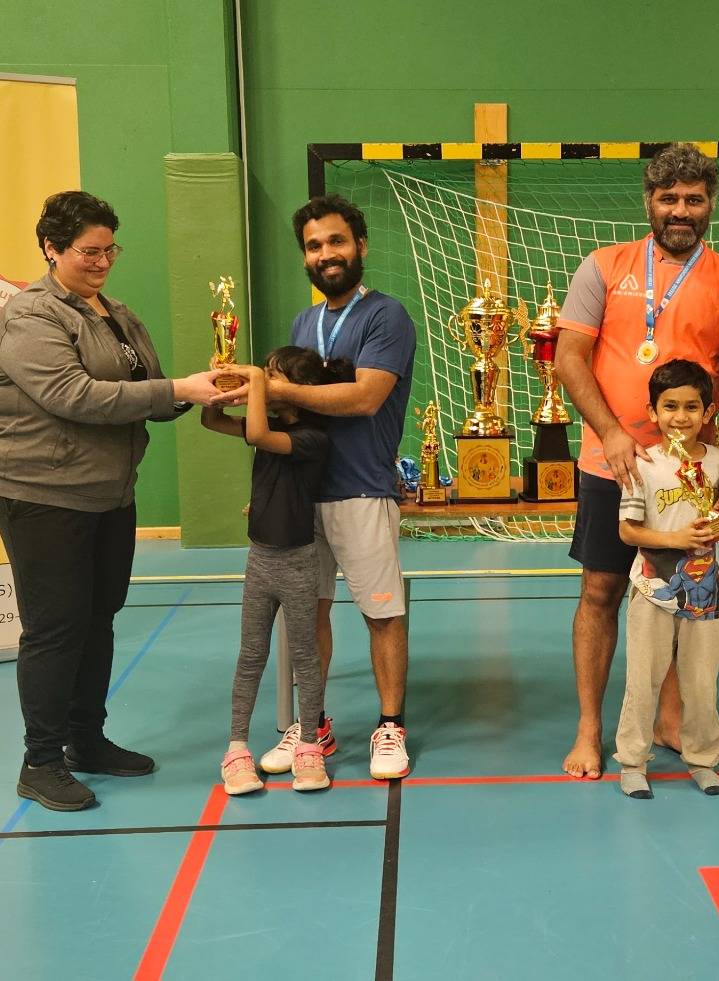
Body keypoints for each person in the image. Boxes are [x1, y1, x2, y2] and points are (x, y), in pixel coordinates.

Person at [0, 190, 226, 812]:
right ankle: (40, 762)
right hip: (41, 493)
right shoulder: (31, 316)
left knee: (98, 617)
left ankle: (86, 740)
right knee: (55, 627)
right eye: (88, 251)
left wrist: (199, 391)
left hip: (107, 492)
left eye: (110, 250)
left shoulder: (116, 314)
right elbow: (74, 396)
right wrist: (177, 388)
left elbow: (148, 391)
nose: (102, 262)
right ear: (51, 248)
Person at [552, 143, 719, 779]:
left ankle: (671, 720)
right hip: (609, 463)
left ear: (710, 204)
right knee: (601, 591)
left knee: (682, 593)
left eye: (693, 199)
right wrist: (612, 433)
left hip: (690, 474)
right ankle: (589, 729)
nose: (680, 210)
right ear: (649, 202)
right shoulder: (603, 266)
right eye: (668, 198)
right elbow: (568, 359)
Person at [229, 194, 417, 781]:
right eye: (314, 246)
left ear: (360, 245)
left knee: (381, 612)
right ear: (305, 257)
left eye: (336, 241)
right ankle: (312, 726)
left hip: (360, 490)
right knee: (307, 612)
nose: (326, 254)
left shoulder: (386, 316)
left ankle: (390, 725)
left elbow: (365, 397)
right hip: (302, 497)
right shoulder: (302, 324)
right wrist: (269, 485)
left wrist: (272, 388)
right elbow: (293, 421)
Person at [202, 348, 355, 794]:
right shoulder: (268, 425)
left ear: (298, 389)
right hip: (260, 560)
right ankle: (236, 750)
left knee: (304, 657)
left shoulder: (312, 439)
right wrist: (218, 385)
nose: (264, 382)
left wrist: (252, 377)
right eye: (265, 375)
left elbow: (257, 434)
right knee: (251, 654)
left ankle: (308, 745)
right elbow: (211, 422)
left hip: (298, 563)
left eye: (273, 376)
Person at [614, 359, 719, 799]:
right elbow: (628, 531)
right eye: (670, 406)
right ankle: (633, 762)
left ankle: (702, 759)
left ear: (708, 411)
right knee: (642, 679)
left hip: (705, 591)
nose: (681, 417)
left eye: (691, 407)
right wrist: (675, 538)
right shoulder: (642, 463)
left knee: (701, 683)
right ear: (652, 411)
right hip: (652, 589)